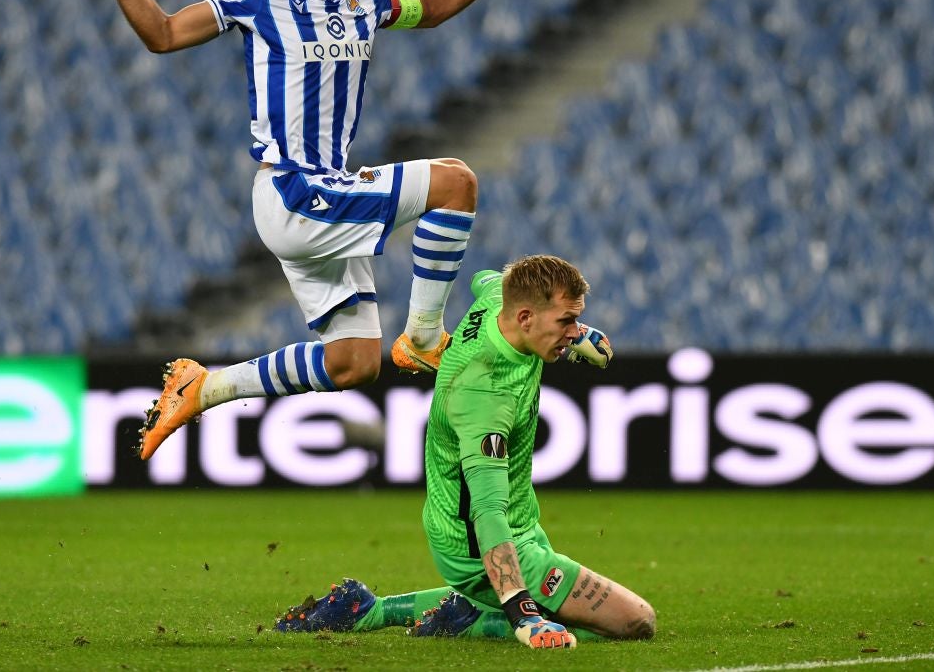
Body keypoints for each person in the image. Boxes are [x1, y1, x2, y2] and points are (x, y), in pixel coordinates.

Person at [86, 0, 549, 461]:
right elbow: (164, 33)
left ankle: (205, 387)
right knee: (456, 182)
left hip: (325, 195)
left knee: (353, 363)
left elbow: (429, 10)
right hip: (291, 191)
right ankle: (426, 338)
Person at [273, 256, 652, 651]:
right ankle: (476, 619)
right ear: (525, 318)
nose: (573, 332)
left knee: (581, 613)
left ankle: (370, 608)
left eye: (576, 319)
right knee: (635, 621)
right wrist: (522, 614)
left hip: (521, 524)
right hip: (476, 545)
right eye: (565, 322)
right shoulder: (483, 393)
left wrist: (574, 334)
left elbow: (485, 278)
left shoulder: (497, 301)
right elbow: (486, 513)